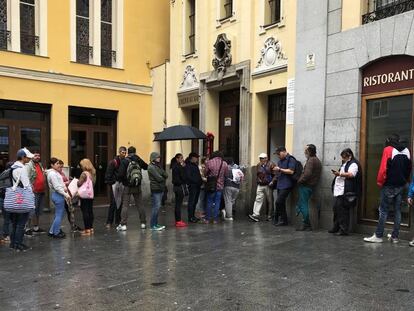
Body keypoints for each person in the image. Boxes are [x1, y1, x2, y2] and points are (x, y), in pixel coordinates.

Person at [364, 134, 411, 243]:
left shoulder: (388, 149)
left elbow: (383, 169)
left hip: (389, 185)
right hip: (401, 185)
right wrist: (405, 181)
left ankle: (378, 236)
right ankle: (395, 237)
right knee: (398, 211)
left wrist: (380, 182)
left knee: (383, 211)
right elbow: (409, 168)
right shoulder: (407, 151)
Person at [7, 148, 35, 251]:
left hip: (14, 198)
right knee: (21, 223)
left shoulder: (12, 167)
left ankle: (13, 243)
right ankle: (18, 243)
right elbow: (27, 186)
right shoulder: (22, 169)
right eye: (28, 157)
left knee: (14, 222)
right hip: (22, 198)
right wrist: (32, 200)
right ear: (23, 157)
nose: (29, 159)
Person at [329, 148, 361, 236]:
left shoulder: (354, 164)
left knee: (343, 211)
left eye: (344, 157)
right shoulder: (346, 163)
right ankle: (336, 227)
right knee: (336, 209)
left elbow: (351, 174)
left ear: (349, 156)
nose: (342, 159)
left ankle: (344, 229)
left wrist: (339, 174)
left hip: (345, 191)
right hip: (339, 191)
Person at [119, 146, 148, 231]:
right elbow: (146, 167)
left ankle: (123, 225)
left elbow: (120, 174)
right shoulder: (138, 159)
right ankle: (143, 223)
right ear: (135, 152)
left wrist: (123, 181)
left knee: (125, 205)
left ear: (128, 152)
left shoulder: (125, 160)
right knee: (140, 204)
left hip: (128, 186)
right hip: (137, 185)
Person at [296, 144, 322, 231]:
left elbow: (307, 174)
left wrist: (299, 181)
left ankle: (306, 224)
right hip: (310, 186)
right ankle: (307, 224)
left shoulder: (311, 160)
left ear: (309, 151)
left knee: (303, 205)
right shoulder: (316, 160)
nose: (304, 152)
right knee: (302, 204)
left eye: (305, 150)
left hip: (306, 186)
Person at [47, 158, 71, 239]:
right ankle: (56, 233)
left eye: (58, 163)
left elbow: (60, 184)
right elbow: (57, 187)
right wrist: (66, 194)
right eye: (56, 164)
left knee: (58, 214)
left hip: (58, 194)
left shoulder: (54, 173)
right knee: (59, 215)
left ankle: (51, 231)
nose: (58, 165)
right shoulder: (53, 174)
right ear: (52, 165)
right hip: (58, 195)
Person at [105, 146, 127, 229]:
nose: (124, 154)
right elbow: (108, 174)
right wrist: (112, 182)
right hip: (115, 184)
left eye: (125, 153)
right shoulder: (113, 162)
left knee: (120, 203)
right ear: (119, 152)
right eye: (122, 152)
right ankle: (109, 221)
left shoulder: (125, 161)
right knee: (113, 203)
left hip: (121, 184)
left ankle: (118, 221)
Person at [249, 153, 275, 222]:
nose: (261, 159)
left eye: (262, 158)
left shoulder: (271, 164)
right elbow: (257, 174)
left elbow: (276, 174)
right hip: (260, 184)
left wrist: (272, 181)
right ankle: (255, 215)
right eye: (260, 158)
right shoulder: (258, 165)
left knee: (270, 200)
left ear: (266, 158)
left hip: (268, 185)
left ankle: (270, 215)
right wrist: (258, 180)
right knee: (258, 199)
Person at [273, 147, 296, 226]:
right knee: (281, 203)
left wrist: (280, 169)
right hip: (280, 184)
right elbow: (279, 172)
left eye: (279, 154)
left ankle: (277, 217)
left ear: (283, 152)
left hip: (287, 184)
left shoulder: (291, 159)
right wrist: (276, 172)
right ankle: (284, 220)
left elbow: (291, 171)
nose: (278, 156)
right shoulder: (279, 161)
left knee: (278, 202)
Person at [204, 151, 228, 224]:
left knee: (209, 201)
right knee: (217, 202)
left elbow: (205, 173)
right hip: (220, 186)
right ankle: (215, 219)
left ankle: (207, 219)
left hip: (211, 185)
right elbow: (226, 174)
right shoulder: (224, 163)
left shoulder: (209, 162)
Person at [26, 151, 46, 235]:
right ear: (31, 156)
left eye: (38, 155)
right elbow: (26, 178)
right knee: (31, 210)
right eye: (35, 155)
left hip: (41, 191)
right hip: (33, 192)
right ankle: (26, 228)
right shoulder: (29, 165)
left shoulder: (39, 164)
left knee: (38, 211)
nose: (37, 157)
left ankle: (36, 227)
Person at [57, 159, 80, 232]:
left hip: (67, 193)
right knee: (65, 211)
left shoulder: (62, 173)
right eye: (60, 167)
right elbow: (59, 184)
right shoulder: (56, 174)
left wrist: (70, 181)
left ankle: (73, 225)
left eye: (62, 167)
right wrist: (67, 182)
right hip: (63, 194)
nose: (61, 169)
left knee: (69, 210)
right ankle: (60, 227)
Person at [148, 152, 168, 231]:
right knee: (156, 207)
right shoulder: (151, 167)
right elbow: (159, 178)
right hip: (156, 189)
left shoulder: (158, 166)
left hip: (161, 188)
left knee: (157, 207)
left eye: (159, 157)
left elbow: (166, 174)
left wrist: (162, 176)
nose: (159, 159)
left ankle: (156, 224)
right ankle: (153, 225)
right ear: (153, 158)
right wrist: (162, 177)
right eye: (157, 157)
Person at [77, 158, 96, 236]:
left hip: (84, 195)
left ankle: (87, 229)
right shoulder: (93, 173)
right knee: (90, 211)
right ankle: (91, 228)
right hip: (90, 194)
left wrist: (77, 181)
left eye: (81, 165)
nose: (81, 166)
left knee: (85, 211)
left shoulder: (84, 173)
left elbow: (79, 183)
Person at [185, 152, 203, 223]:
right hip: (192, 186)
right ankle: (190, 217)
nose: (197, 159)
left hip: (197, 185)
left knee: (195, 201)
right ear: (192, 158)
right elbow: (189, 176)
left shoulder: (195, 165)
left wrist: (200, 181)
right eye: (196, 158)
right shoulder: (188, 165)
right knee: (191, 202)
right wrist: (196, 181)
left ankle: (193, 216)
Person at [171, 153, 188, 227]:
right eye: (181, 158)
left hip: (176, 187)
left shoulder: (175, 166)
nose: (182, 159)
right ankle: (178, 220)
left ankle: (177, 220)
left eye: (182, 157)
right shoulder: (178, 167)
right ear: (177, 159)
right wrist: (184, 168)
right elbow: (183, 177)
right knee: (178, 204)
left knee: (177, 204)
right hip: (179, 187)